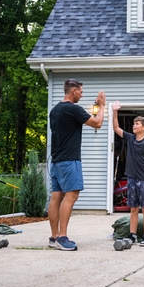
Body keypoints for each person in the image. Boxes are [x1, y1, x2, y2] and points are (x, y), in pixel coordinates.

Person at [48, 79, 106, 251]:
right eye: (81, 91)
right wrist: (101, 106)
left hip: (56, 160)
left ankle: (54, 237)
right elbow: (97, 123)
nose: (82, 94)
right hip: (69, 160)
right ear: (73, 91)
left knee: (55, 197)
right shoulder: (73, 109)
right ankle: (63, 237)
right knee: (71, 197)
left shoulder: (55, 110)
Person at [112, 101, 144, 246]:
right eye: (134, 124)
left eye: (137, 124)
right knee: (133, 208)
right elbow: (116, 128)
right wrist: (115, 111)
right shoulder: (130, 139)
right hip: (131, 179)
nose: (134, 126)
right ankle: (132, 235)